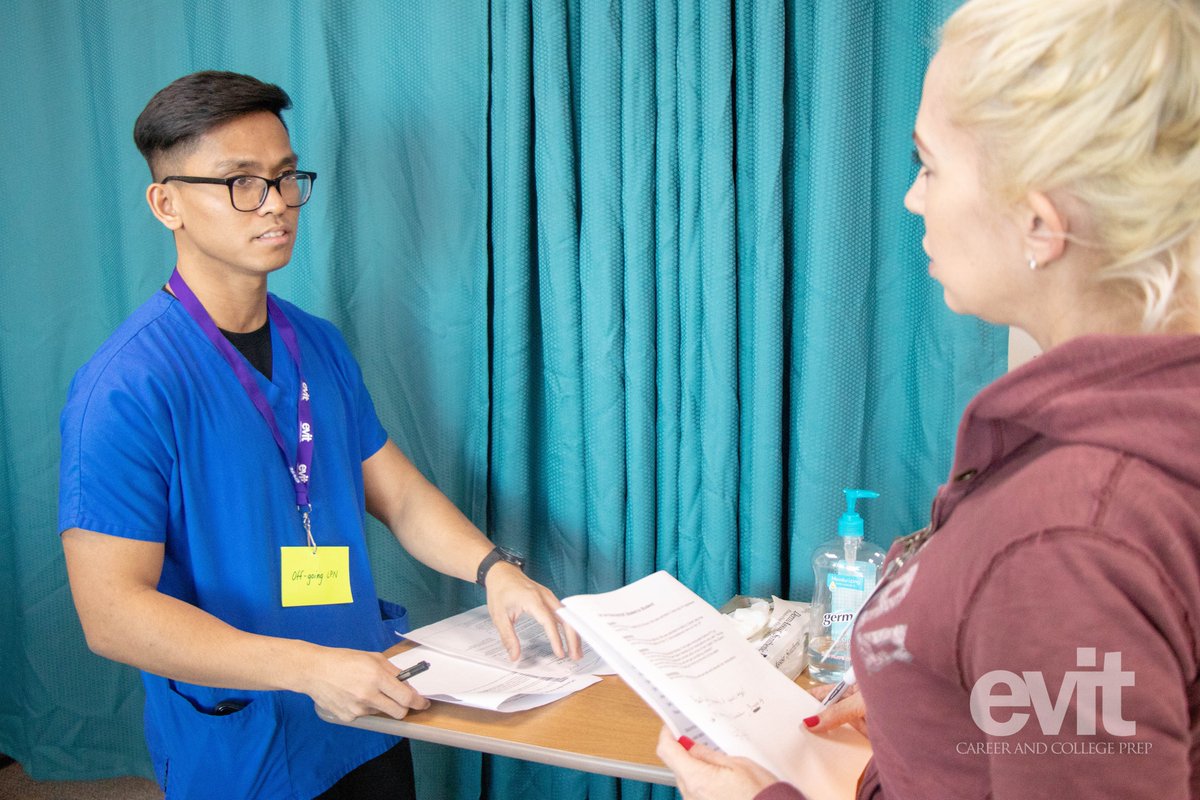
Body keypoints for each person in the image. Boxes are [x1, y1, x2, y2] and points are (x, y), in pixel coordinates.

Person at [656, 0, 1200, 797]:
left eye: (930, 165)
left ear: (1038, 224)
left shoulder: (1067, 538)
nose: (913, 198)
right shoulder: (1145, 441)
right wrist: (937, 720)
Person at [58, 70, 581, 800]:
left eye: (283, 176)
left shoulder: (318, 345)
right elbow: (112, 614)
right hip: (244, 738)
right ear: (166, 203)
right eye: (240, 182)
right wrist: (307, 669)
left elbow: (398, 493)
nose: (275, 202)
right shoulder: (125, 388)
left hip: (366, 706)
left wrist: (495, 569)